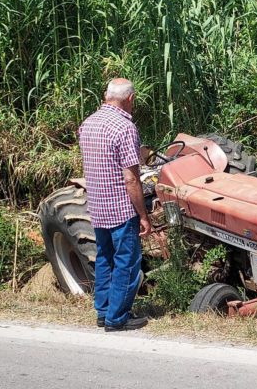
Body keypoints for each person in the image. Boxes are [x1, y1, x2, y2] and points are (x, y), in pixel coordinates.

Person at [78, 78, 153, 332]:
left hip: (98, 206)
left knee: (105, 258)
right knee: (127, 262)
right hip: (121, 209)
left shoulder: (87, 124)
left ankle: (103, 311)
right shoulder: (124, 128)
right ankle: (117, 317)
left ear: (106, 95)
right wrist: (143, 215)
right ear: (130, 99)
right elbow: (131, 178)